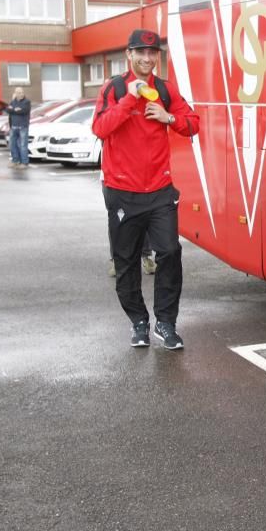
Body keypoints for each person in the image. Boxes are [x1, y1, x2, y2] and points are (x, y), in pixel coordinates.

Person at [92, 29, 200, 350]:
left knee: (169, 252)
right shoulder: (114, 89)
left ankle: (165, 322)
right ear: (129, 54)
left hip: (160, 191)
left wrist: (168, 117)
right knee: (126, 262)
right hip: (122, 192)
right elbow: (100, 128)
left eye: (153, 53)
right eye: (140, 52)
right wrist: (131, 99)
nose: (147, 58)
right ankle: (138, 321)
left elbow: (193, 122)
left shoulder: (165, 90)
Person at [5, 87, 31, 169]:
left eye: (21, 92)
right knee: (12, 144)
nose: (20, 94)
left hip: (23, 126)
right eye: (18, 92)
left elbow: (24, 111)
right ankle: (15, 160)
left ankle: (24, 162)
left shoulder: (27, 102)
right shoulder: (13, 101)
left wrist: (14, 110)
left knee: (23, 145)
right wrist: (15, 109)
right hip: (14, 126)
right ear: (15, 93)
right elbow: (7, 110)